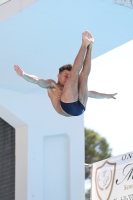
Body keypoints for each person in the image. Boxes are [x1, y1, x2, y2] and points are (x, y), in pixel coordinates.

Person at [14, 30, 117, 117]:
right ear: (58, 76)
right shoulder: (53, 85)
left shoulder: (74, 87)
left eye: (68, 75)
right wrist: (23, 74)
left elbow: (91, 94)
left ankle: (90, 47)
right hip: (67, 108)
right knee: (75, 74)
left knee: (83, 76)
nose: (67, 77)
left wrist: (107, 95)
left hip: (80, 108)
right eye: (65, 75)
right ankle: (84, 44)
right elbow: (38, 81)